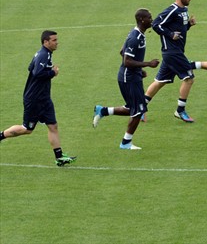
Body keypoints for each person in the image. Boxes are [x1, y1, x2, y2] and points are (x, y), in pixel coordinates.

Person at [0, 31, 76, 166]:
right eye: (54, 40)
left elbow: (30, 67)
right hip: (34, 99)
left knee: (53, 126)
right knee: (27, 129)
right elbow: (36, 72)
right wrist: (53, 72)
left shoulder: (44, 54)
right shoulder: (42, 54)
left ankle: (59, 157)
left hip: (44, 98)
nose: (56, 42)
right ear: (46, 42)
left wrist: (47, 70)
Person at [92, 9, 160, 150]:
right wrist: (147, 64)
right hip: (128, 78)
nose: (151, 20)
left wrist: (139, 70)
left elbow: (122, 52)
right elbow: (126, 61)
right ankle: (125, 142)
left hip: (132, 76)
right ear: (141, 19)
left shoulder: (138, 34)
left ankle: (103, 111)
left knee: (131, 109)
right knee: (138, 111)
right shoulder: (135, 37)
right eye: (149, 18)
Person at [143, 0, 198, 123]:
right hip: (172, 52)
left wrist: (189, 25)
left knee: (160, 82)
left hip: (175, 52)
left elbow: (179, 29)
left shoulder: (184, 10)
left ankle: (140, 108)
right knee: (189, 78)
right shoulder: (172, 10)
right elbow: (156, 24)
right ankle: (180, 111)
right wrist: (170, 34)